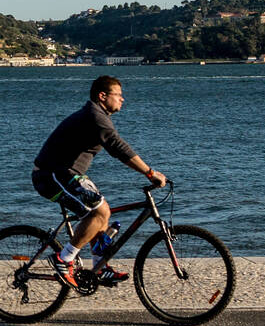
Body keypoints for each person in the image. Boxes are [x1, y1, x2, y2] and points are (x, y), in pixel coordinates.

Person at [31, 75, 166, 289]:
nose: (123, 100)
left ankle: (99, 268)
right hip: (52, 175)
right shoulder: (95, 116)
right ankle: (63, 258)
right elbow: (118, 147)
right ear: (103, 96)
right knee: (100, 212)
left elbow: (117, 147)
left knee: (103, 213)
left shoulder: (97, 115)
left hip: (68, 174)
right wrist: (150, 173)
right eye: (118, 95)